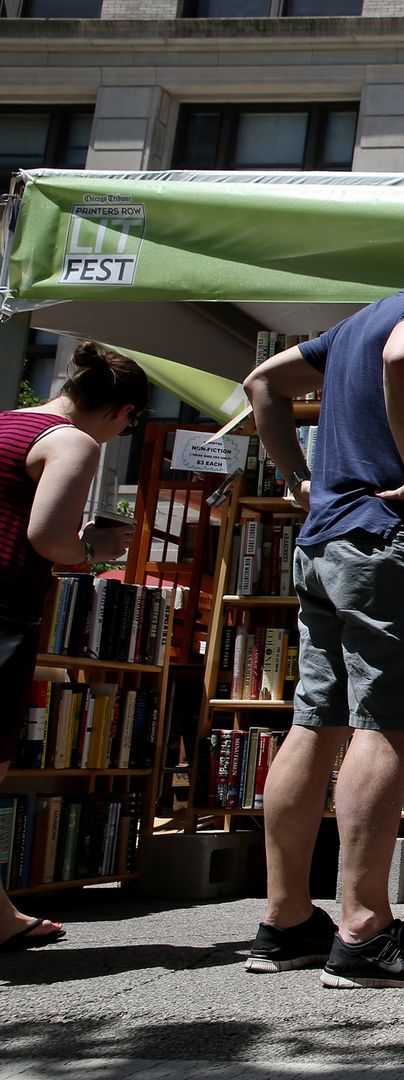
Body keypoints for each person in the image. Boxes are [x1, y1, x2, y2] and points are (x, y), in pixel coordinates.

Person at [240, 204, 404, 988]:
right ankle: (363, 930)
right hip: (387, 543)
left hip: (324, 543)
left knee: (313, 722)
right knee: (383, 727)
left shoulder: (360, 318)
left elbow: (263, 384)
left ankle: (286, 920)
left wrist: (298, 480)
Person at [0, 341, 147, 951]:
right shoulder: (72, 442)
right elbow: (47, 538)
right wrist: (96, 548)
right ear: (122, 414)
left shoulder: (8, 422)